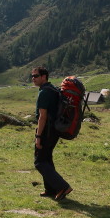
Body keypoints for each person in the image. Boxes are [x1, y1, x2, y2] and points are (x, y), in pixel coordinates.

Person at [32, 66, 72, 200]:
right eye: (32, 76)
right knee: (47, 159)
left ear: (44, 77)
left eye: (36, 76)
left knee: (39, 162)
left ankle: (62, 187)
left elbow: (42, 116)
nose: (33, 78)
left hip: (46, 131)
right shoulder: (53, 89)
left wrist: (38, 136)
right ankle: (51, 189)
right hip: (55, 130)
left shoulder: (44, 92)